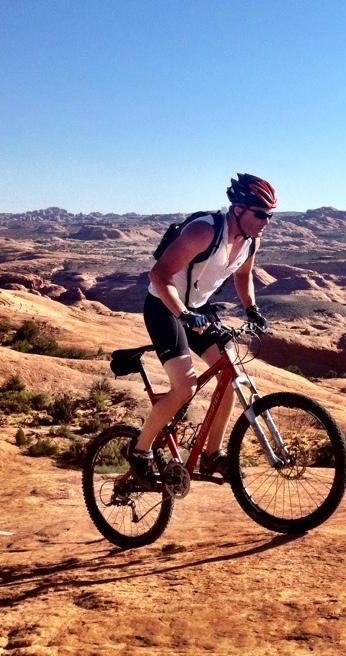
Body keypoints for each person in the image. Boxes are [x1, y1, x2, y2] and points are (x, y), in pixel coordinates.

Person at [130, 173, 276, 484]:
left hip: (197, 310)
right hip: (164, 308)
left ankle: (212, 455)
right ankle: (140, 450)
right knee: (185, 387)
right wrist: (182, 313)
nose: (266, 221)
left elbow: (242, 276)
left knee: (231, 374)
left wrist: (252, 308)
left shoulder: (251, 241)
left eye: (270, 216)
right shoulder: (204, 231)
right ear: (238, 209)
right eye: (260, 214)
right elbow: (158, 275)